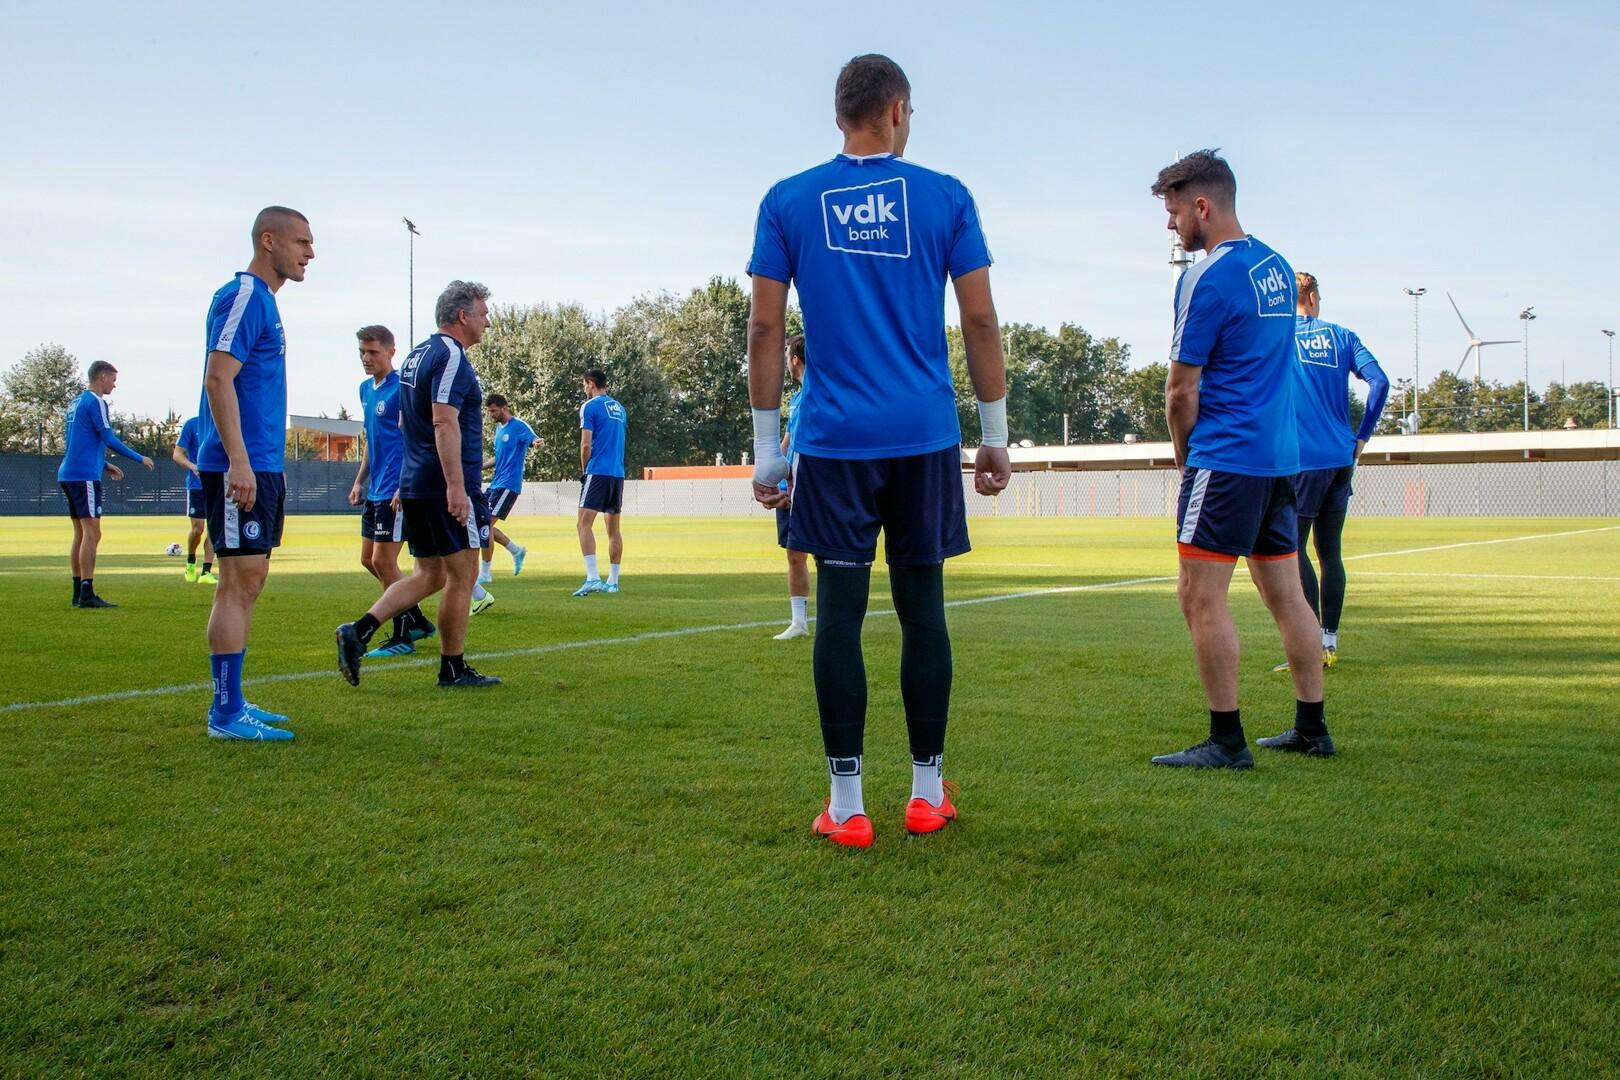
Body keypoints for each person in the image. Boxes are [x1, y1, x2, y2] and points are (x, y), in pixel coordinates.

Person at [746, 54, 1011, 849]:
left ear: (841, 116)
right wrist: (994, 436)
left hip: (832, 440)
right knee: (923, 612)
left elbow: (764, 329)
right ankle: (926, 794)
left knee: (840, 617)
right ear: (897, 110)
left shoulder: (788, 199)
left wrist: (768, 450)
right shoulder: (946, 196)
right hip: (924, 435)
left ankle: (848, 804)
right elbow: (981, 324)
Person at [1150, 150, 1330, 768]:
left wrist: (1184, 458)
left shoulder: (1205, 277)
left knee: (1200, 596)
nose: (1171, 226)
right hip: (1281, 461)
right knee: (1287, 594)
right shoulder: (1278, 267)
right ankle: (1312, 729)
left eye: (1174, 212)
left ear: (1202, 205)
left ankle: (1226, 740)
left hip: (1225, 458)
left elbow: (1180, 390)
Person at [335, 281, 501, 690]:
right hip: (442, 483)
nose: (487, 322)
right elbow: (443, 421)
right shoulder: (449, 355)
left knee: (430, 574)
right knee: (463, 575)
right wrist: (456, 486)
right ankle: (452, 668)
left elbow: (406, 423)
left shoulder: (414, 357)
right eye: (482, 314)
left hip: (416, 481)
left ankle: (359, 631)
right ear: (462, 316)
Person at [198, 206, 313, 742]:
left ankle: (235, 701)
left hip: (262, 463)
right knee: (238, 583)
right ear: (269, 241)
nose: (309, 254)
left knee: (250, 580)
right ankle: (225, 712)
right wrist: (238, 461)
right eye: (301, 243)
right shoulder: (244, 296)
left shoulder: (264, 303)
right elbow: (218, 380)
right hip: (238, 465)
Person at [1272, 272, 1390, 678]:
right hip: (1341, 457)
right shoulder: (1343, 336)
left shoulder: (1279, 336)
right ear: (1315, 296)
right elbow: (1380, 382)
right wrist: (1362, 436)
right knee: (1330, 552)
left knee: (1291, 549)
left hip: (1302, 460)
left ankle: (1305, 647)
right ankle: (1328, 642)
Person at [348, 324, 436, 657]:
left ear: (390, 352)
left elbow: (414, 438)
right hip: (375, 489)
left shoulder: (402, 390)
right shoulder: (366, 390)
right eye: (362, 352)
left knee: (385, 562)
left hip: (396, 491)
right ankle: (417, 620)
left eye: (372, 352)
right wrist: (359, 479)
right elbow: (373, 439)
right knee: (368, 560)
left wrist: (404, 484)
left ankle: (404, 635)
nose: (366, 358)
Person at [58, 361, 155, 607]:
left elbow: (79, 441)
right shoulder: (96, 402)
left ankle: (77, 591)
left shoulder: (75, 402)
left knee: (80, 533)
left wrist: (104, 464)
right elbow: (108, 437)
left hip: (69, 473)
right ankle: (87, 593)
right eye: (112, 379)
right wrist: (139, 457)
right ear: (102, 376)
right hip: (84, 476)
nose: (114, 384)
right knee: (93, 533)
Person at [572, 369, 626, 596]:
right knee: (613, 529)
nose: (584, 389)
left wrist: (585, 471)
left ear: (590, 383)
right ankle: (612, 581)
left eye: (584, 385)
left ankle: (592, 577)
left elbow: (586, 445)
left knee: (583, 524)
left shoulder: (590, 407)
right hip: (617, 473)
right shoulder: (620, 408)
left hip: (598, 471)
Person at [773, 335, 811, 640]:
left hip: (811, 482)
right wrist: (773, 471)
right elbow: (786, 442)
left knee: (824, 550)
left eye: (787, 356)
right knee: (794, 552)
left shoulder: (818, 392)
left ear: (794, 360)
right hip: (790, 484)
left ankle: (835, 619)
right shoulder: (797, 398)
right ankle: (799, 621)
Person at [480, 393, 540, 582]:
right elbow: (498, 458)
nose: (491, 415)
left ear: (504, 407)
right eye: (489, 411)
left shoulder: (519, 426)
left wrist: (537, 442)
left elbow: (533, 439)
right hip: (495, 484)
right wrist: (478, 466)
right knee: (481, 523)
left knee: (486, 525)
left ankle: (486, 574)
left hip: (508, 485)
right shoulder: (499, 430)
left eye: (493, 411)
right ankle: (516, 550)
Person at [172, 415, 216, 584]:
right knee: (198, 529)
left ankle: (206, 571)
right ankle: (191, 561)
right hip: (197, 486)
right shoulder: (192, 424)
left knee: (214, 528)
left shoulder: (226, 420)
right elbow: (177, 454)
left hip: (218, 485)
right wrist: (193, 466)